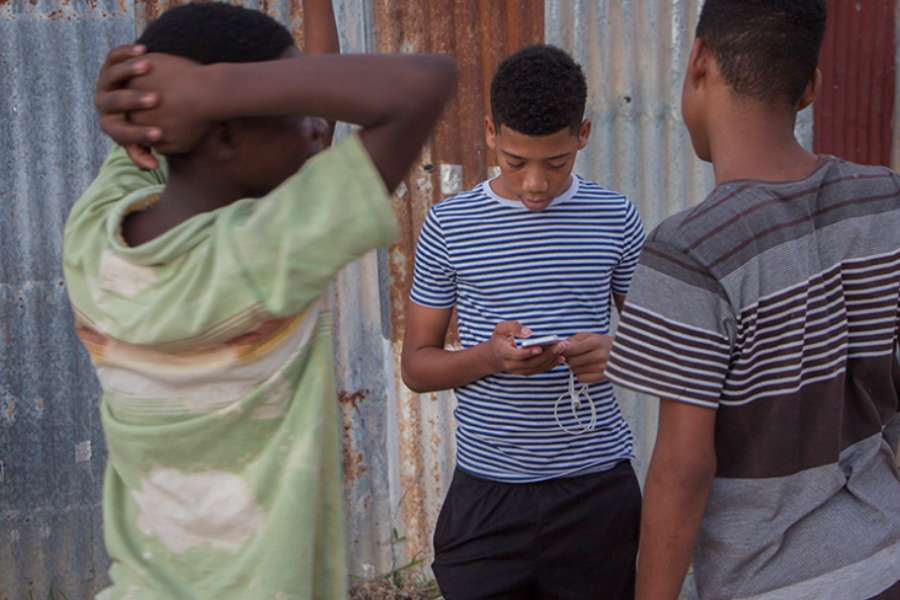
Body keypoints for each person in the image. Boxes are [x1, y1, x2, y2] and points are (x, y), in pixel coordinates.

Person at [64, 2, 456, 598]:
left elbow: (147, 128)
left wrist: (191, 93)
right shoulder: (261, 260)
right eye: (298, 112)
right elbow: (425, 83)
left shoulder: (94, 239)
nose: (322, 128)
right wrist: (214, 87)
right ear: (221, 127)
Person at [604, 1, 900, 599]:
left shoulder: (689, 250)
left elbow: (682, 468)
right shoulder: (884, 200)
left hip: (771, 582)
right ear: (811, 88)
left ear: (699, 60)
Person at [401, 44, 646, 600]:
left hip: (596, 491)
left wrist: (617, 353)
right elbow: (417, 366)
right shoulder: (450, 225)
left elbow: (660, 346)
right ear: (490, 131)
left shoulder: (615, 216)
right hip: (488, 496)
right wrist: (489, 357)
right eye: (516, 162)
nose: (536, 183)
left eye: (556, 163)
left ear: (582, 134)